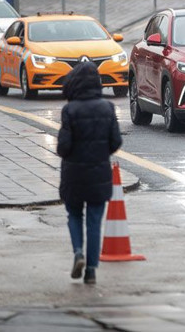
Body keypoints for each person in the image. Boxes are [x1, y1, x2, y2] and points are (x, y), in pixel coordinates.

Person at [57, 61, 122, 285]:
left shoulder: (70, 110)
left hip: (73, 174)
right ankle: (92, 271)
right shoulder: (108, 108)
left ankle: (78, 253)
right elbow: (116, 142)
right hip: (99, 173)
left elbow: (63, 147)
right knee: (94, 221)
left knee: (74, 215)